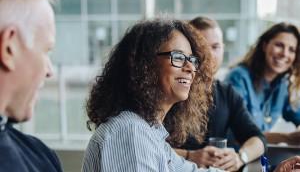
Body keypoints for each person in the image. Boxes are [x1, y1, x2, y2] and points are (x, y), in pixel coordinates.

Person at [82, 19, 225, 172]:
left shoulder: (150, 132)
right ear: (145, 64)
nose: (190, 67)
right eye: (178, 57)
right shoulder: (131, 133)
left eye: (191, 59)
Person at [174, 16, 265, 172]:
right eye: (201, 47)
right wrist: (189, 155)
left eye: (215, 47)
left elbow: (258, 138)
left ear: (223, 48)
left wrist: (240, 157)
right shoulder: (173, 90)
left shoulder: (227, 93)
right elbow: (148, 145)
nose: (209, 55)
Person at [0, 0, 62, 171]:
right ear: (9, 48)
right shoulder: (39, 160)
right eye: (46, 50)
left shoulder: (39, 155)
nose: (49, 71)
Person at [224, 22, 300, 132]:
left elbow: (297, 114)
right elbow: (242, 131)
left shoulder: (283, 85)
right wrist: (287, 138)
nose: (285, 54)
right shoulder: (238, 78)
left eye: (292, 50)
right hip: (237, 149)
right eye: (279, 45)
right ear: (265, 46)